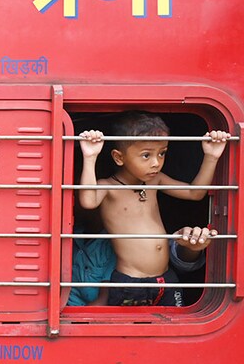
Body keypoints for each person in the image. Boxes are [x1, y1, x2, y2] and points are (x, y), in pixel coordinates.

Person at [78, 111, 230, 306]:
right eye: (146, 155)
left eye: (162, 153)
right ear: (119, 158)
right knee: (131, 333)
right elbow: (88, 201)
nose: (156, 162)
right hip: (131, 283)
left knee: (174, 327)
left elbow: (195, 193)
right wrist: (90, 157)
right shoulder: (109, 187)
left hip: (166, 278)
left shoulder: (155, 181)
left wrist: (211, 156)